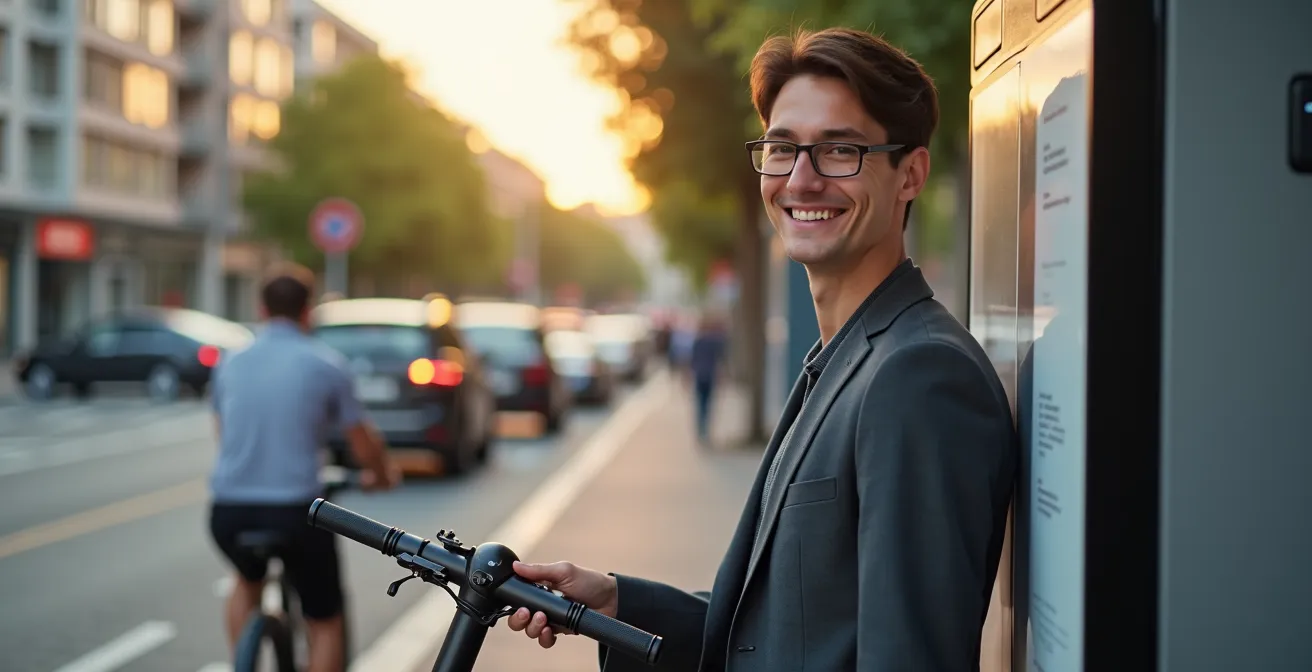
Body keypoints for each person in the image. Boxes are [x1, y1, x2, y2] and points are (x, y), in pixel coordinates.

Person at [506, 27, 1018, 672]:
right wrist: (618, 602)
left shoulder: (919, 374)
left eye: (841, 151)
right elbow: (790, 634)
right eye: (782, 149)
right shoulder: (847, 357)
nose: (801, 180)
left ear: (910, 174)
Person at [207, 263, 400, 672]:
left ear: (261, 309)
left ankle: (242, 663)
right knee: (325, 618)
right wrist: (381, 476)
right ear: (307, 310)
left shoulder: (230, 362)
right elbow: (362, 439)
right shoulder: (325, 364)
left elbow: (223, 433)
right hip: (297, 510)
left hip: (228, 510)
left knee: (246, 578)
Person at [686, 312, 728, 445]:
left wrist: (688, 374)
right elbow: (720, 360)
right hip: (708, 375)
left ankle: (701, 430)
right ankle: (705, 431)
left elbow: (692, 360)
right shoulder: (715, 341)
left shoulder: (699, 341)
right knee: (707, 404)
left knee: (701, 403)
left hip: (700, 375)